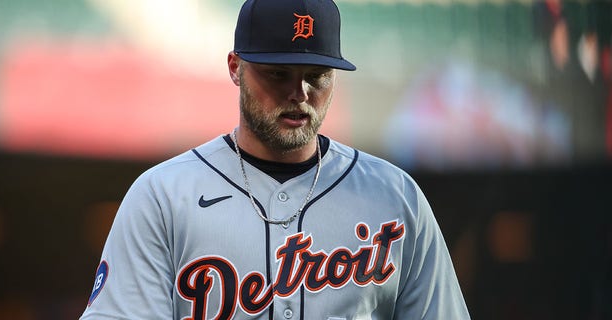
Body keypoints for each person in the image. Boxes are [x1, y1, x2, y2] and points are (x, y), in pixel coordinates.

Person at [80, 0, 471, 318]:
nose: (298, 92)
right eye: (278, 73)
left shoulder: (396, 198)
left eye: (316, 75)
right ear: (236, 68)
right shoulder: (163, 196)